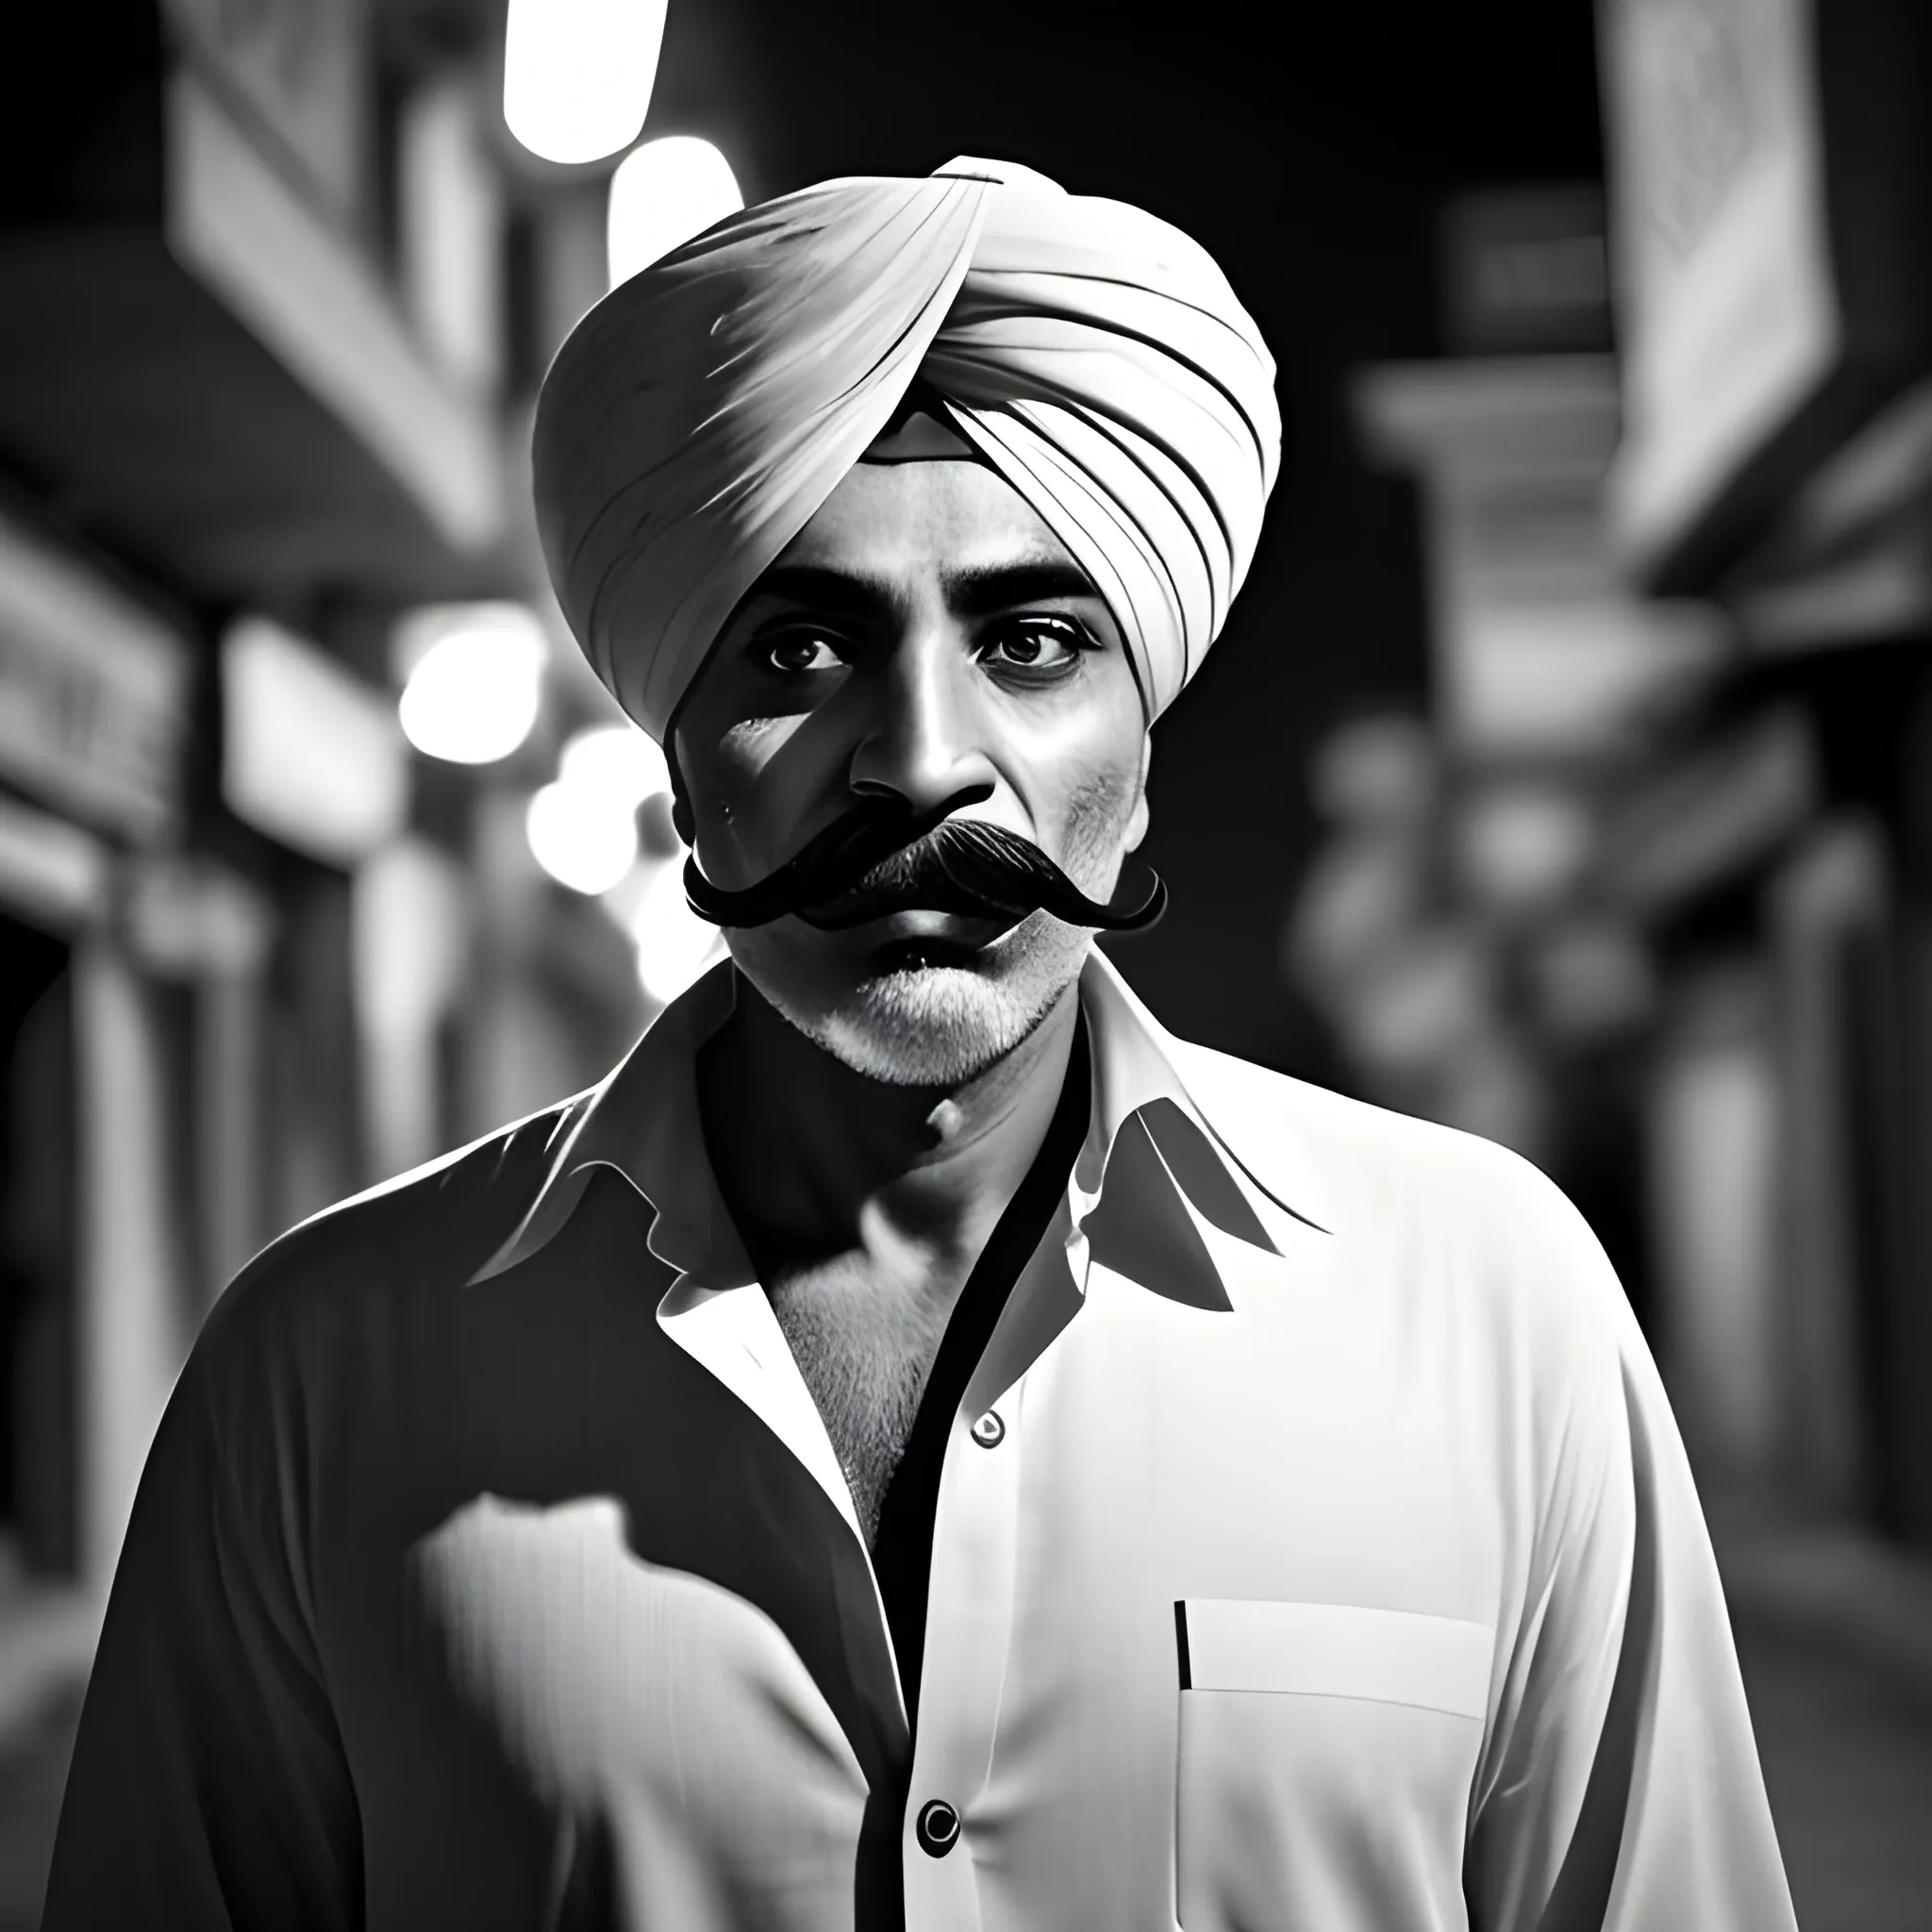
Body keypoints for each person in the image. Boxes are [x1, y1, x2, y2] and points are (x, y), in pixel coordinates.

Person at [42, 158, 1796, 1932]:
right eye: (801, 646)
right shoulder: (322, 1374)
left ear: (1142, 736)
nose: (923, 764)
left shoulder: (1488, 1307)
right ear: (675, 750)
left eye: (1034, 643)